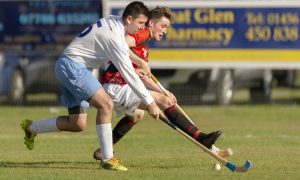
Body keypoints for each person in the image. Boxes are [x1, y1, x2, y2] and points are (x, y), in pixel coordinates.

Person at [20, 1, 162, 172]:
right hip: (73, 68)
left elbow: (122, 55)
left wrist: (138, 63)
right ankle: (108, 158)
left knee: (77, 124)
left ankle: (31, 128)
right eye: (140, 23)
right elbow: (127, 72)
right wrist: (150, 102)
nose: (142, 27)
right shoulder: (115, 37)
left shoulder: (114, 22)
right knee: (106, 104)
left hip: (69, 66)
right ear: (129, 19)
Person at [93, 6, 223, 161]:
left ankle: (105, 150)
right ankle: (201, 138)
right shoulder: (143, 32)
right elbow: (122, 44)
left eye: (167, 27)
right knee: (165, 102)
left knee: (137, 114)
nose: (165, 31)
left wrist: (163, 91)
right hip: (115, 85)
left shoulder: (144, 42)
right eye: (163, 26)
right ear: (151, 22)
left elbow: (144, 76)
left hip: (117, 86)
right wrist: (140, 63)